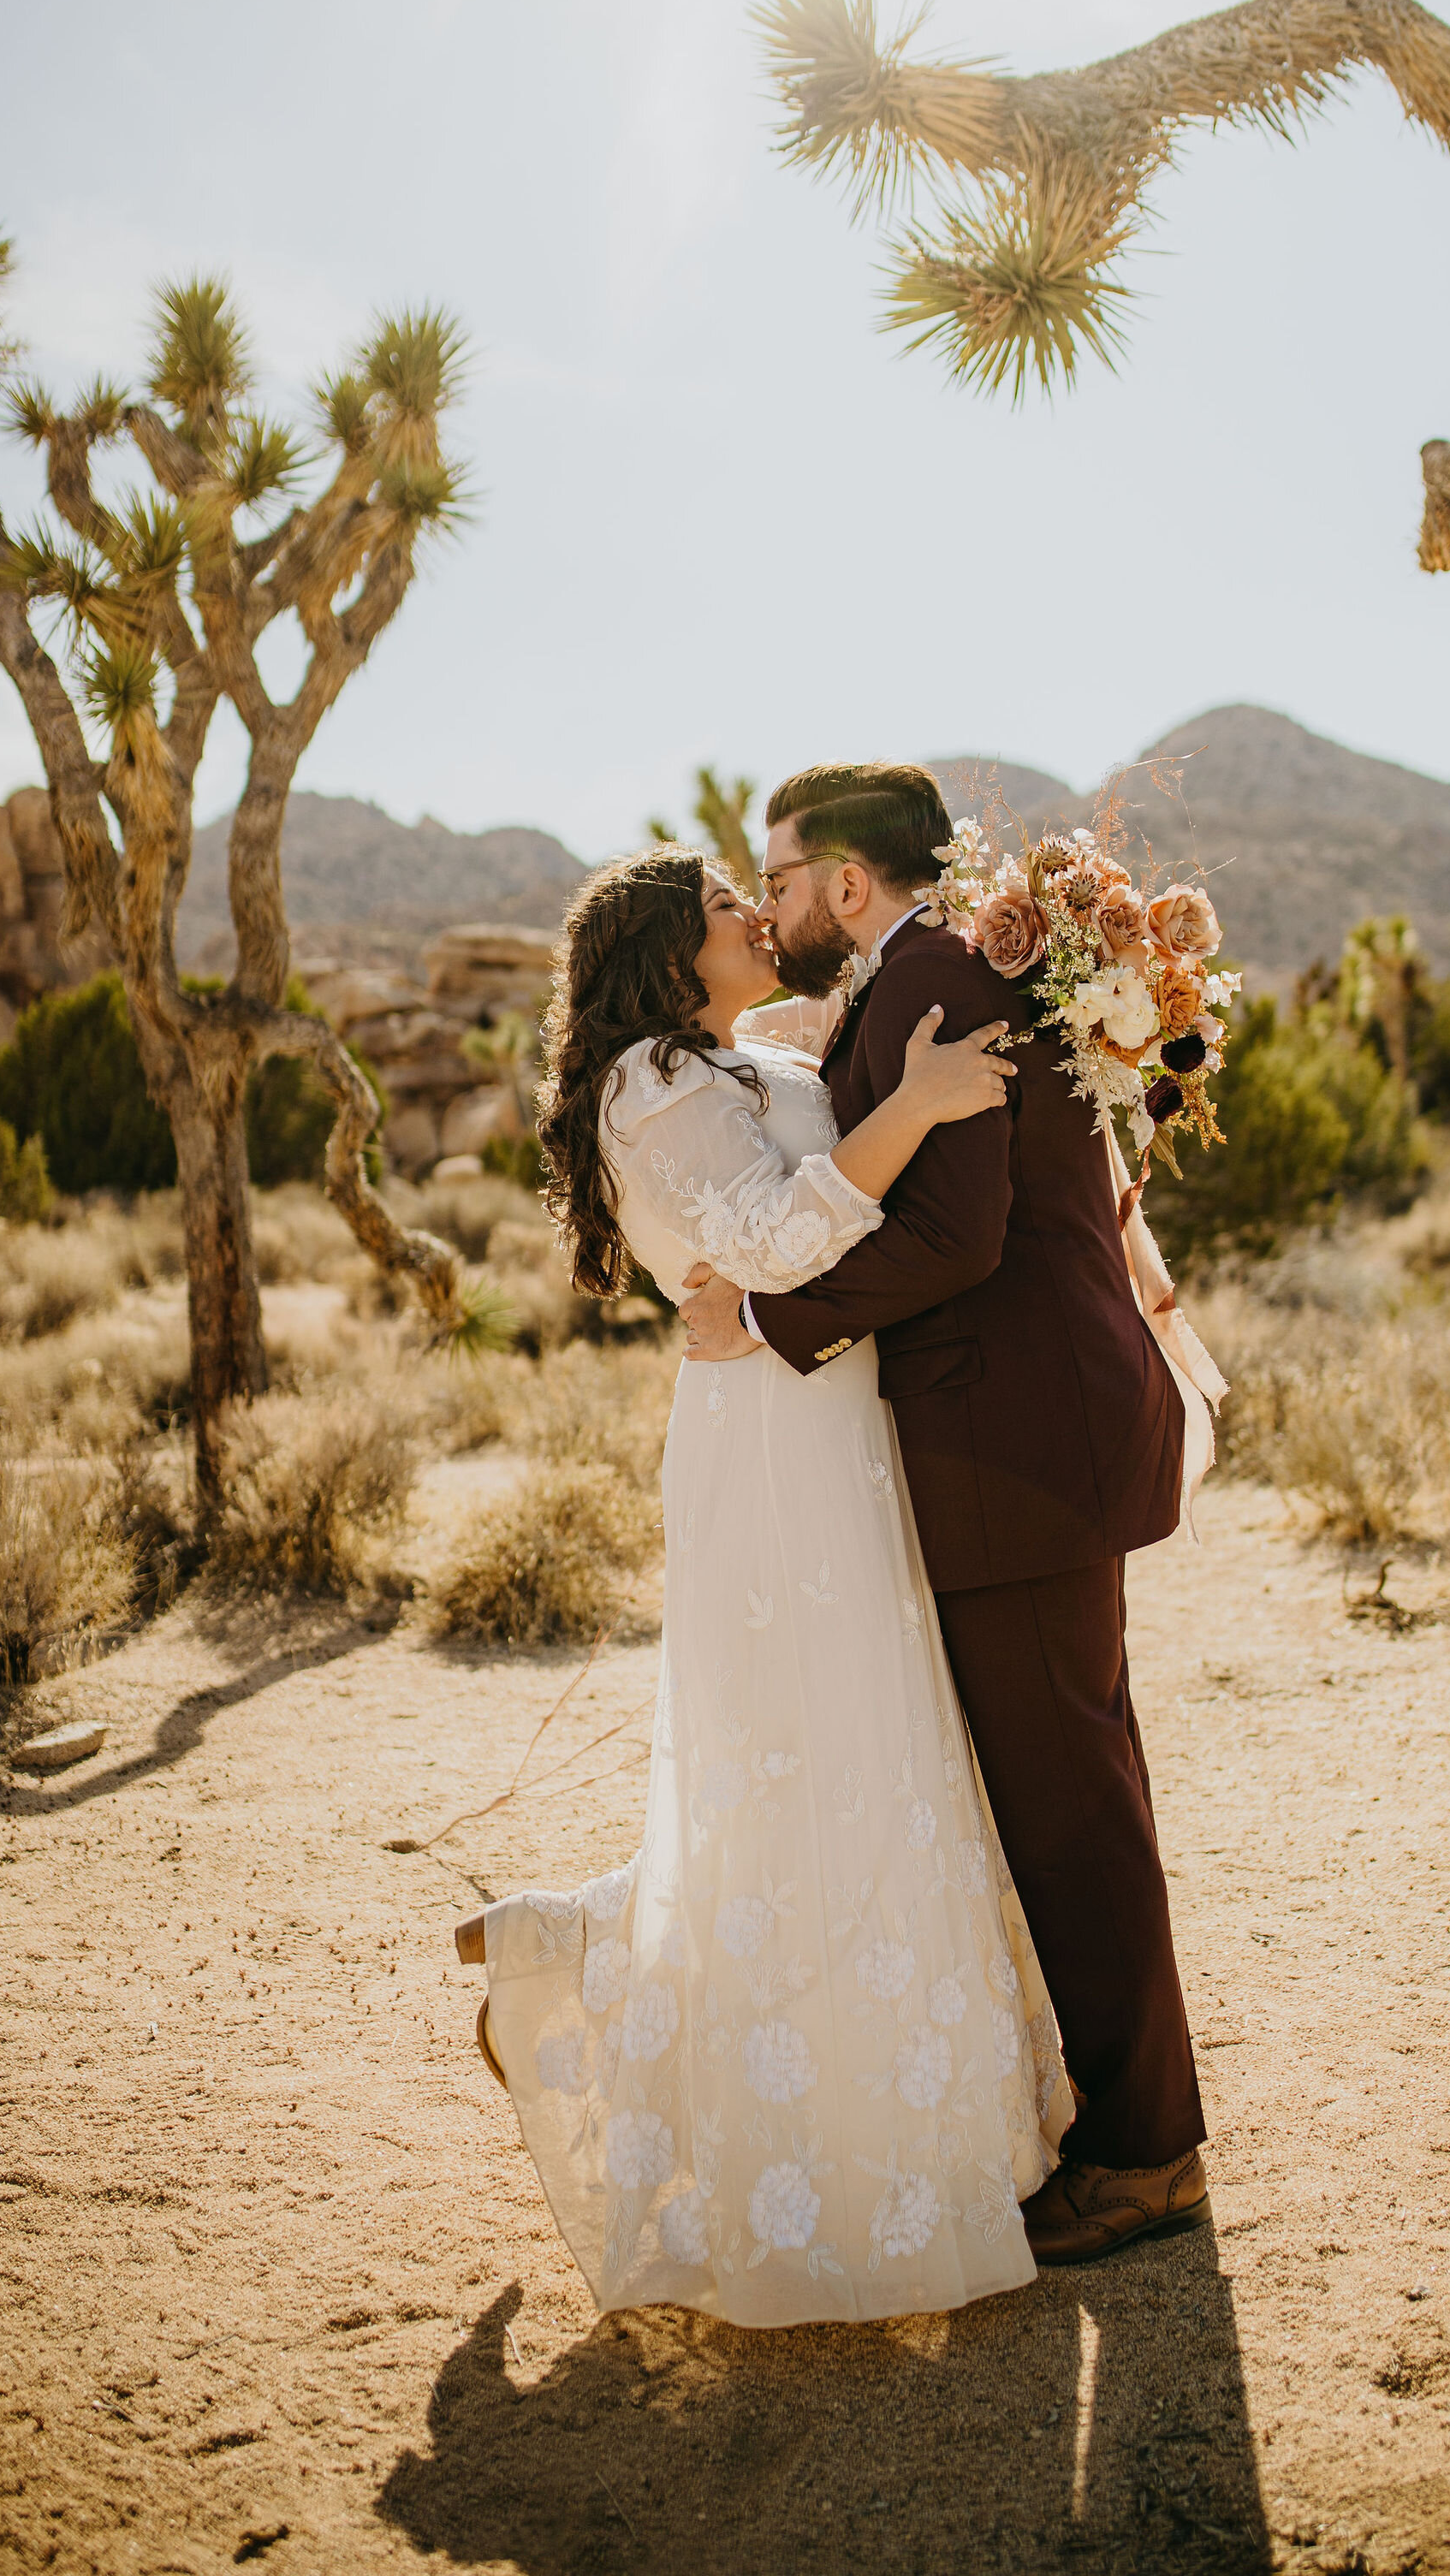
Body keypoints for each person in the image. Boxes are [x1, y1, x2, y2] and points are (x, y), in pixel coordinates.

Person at [473, 844, 1076, 2327]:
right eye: (730, 909)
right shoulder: (645, 1089)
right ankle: (659, 2026)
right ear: (676, 957)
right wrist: (922, 1111)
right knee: (800, 1763)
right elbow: (770, 1243)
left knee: (861, 1756)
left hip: (838, 1425)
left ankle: (575, 1946)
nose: (759, 915)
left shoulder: (747, 1054)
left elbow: (792, 1220)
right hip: (768, 1452)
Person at [679, 763, 1212, 2266]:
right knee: (1076, 1782)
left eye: (779, 880)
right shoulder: (926, 971)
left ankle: (1148, 2153)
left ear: (846, 883)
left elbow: (956, 1232)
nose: (772, 908)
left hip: (1019, 1447)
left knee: (1074, 1801)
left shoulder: (927, 977)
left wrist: (770, 1323)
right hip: (1026, 1437)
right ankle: (1132, 2119)